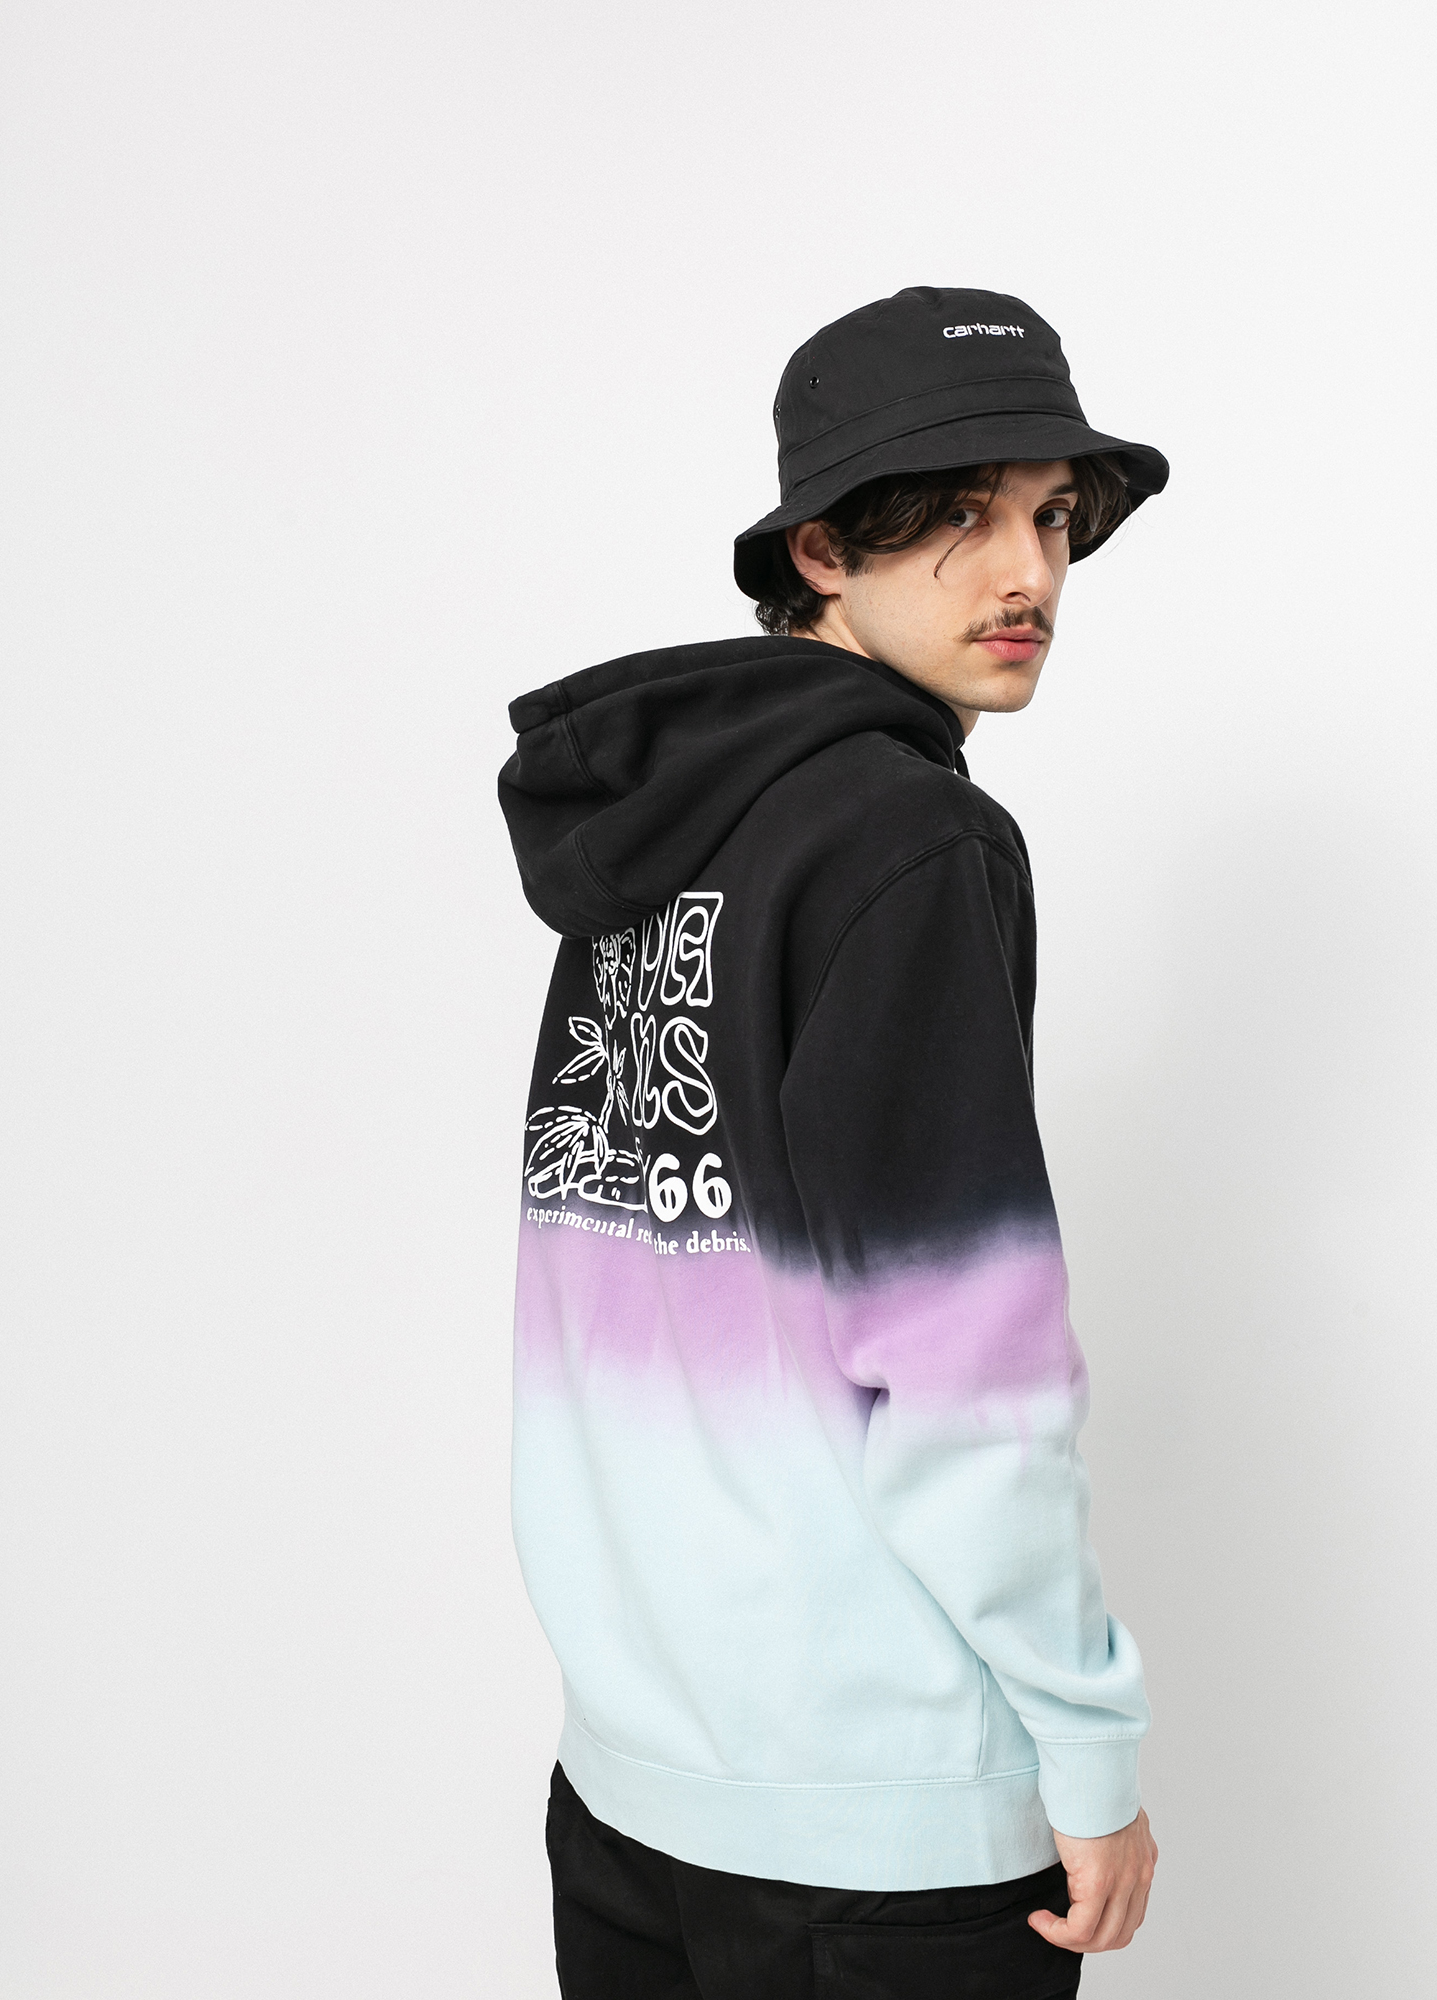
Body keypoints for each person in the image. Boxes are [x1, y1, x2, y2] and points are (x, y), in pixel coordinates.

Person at [498, 285, 1167, 1998]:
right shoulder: (911, 841)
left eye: (1051, 517)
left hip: (635, 1788)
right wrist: (1089, 1746)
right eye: (960, 517)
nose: (1027, 574)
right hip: (877, 1829)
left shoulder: (662, 835)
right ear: (821, 552)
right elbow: (962, 1369)